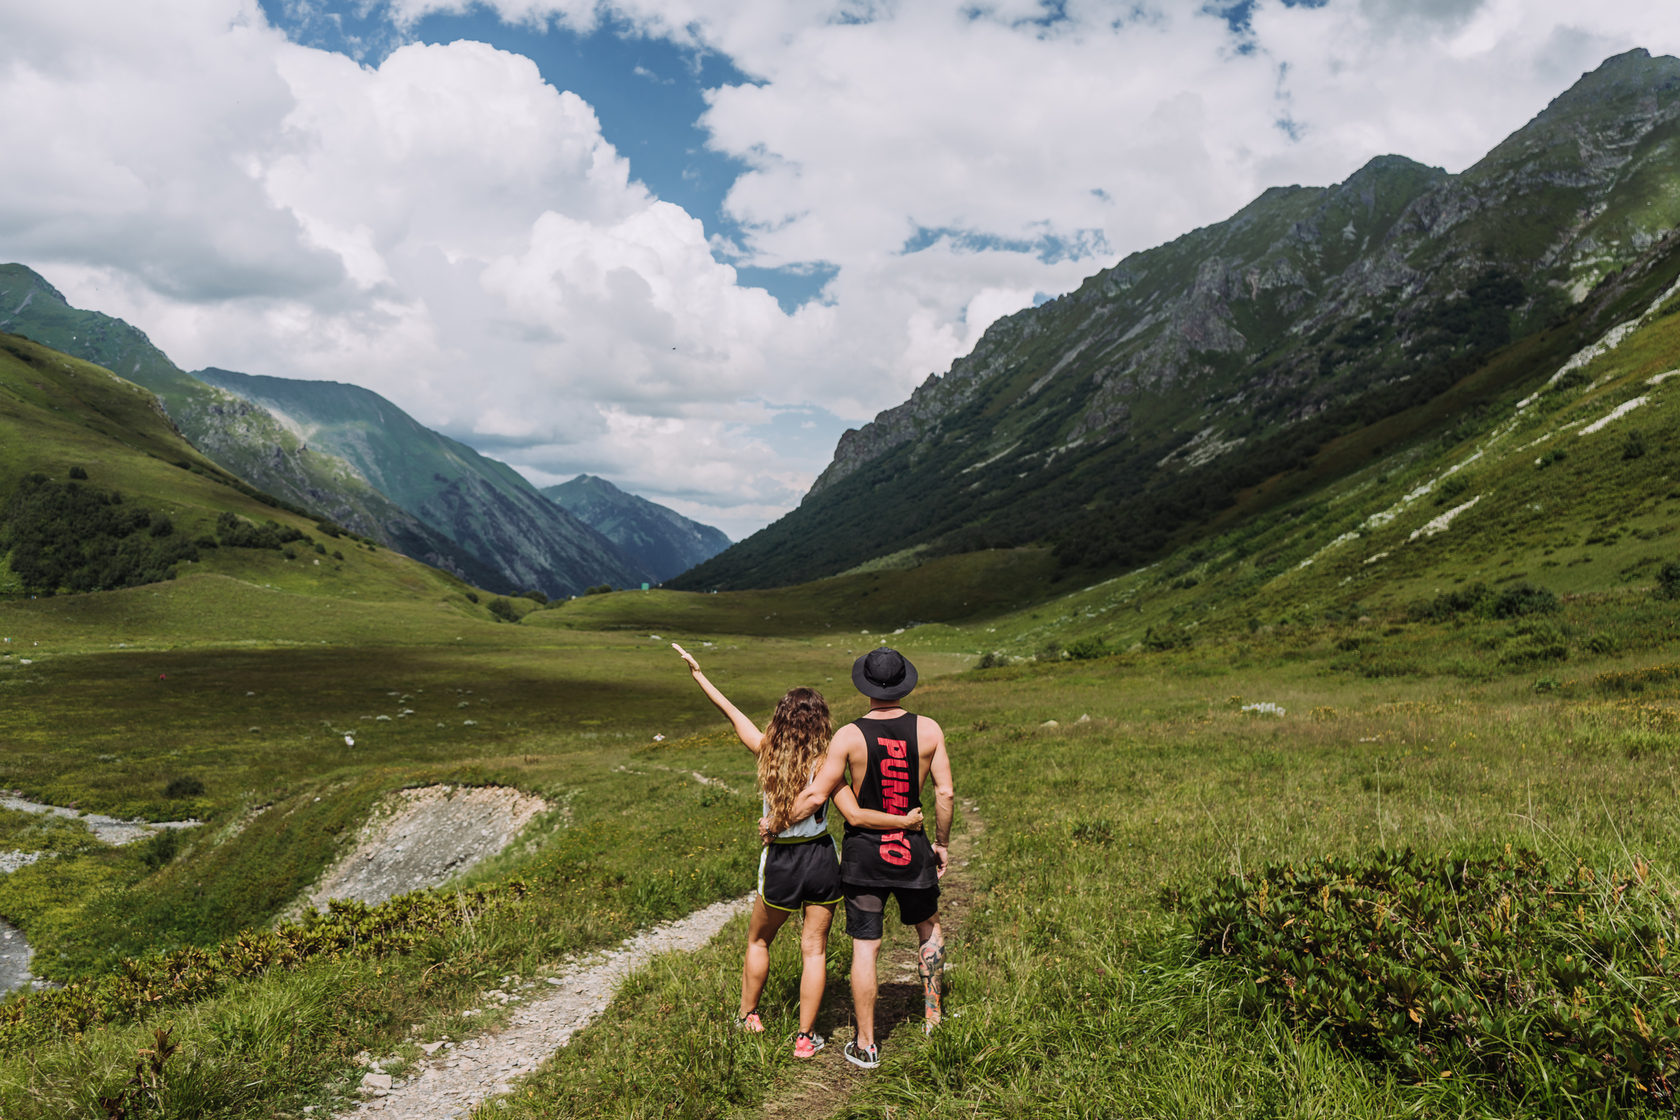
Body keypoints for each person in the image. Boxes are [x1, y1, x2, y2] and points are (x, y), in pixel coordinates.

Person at [672, 643, 923, 1059]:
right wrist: (901, 821)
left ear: (780, 719)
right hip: (823, 857)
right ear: (822, 721)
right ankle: (805, 1037)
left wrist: (699, 675)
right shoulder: (830, 761)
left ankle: (748, 1015)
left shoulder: (766, 752)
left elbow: (733, 714)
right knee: (815, 949)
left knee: (758, 940)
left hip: (782, 861)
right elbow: (855, 814)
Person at [788, 646, 954, 1070]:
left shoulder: (847, 736)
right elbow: (945, 793)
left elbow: (816, 794)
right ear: (903, 683)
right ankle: (933, 1016)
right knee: (928, 929)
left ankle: (866, 1044)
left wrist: (777, 825)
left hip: (865, 857)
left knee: (866, 947)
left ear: (865, 685)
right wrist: (942, 843)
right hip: (912, 850)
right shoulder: (930, 729)